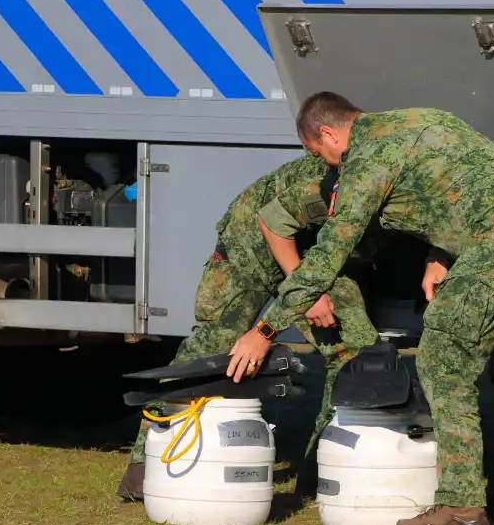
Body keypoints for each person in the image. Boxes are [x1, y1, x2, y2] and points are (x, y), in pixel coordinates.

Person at [225, 93, 494, 525]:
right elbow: (464, 184)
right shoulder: (424, 116)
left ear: (330, 133)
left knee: (442, 358)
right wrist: (440, 252)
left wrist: (265, 329)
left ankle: (462, 506)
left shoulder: (366, 157)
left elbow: (328, 255)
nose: (330, 167)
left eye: (323, 155)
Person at [116, 154, 379, 502]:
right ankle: (144, 465)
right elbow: (275, 223)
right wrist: (309, 291)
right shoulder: (338, 178)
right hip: (251, 244)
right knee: (211, 345)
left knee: (351, 349)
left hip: (314, 252)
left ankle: (321, 473)